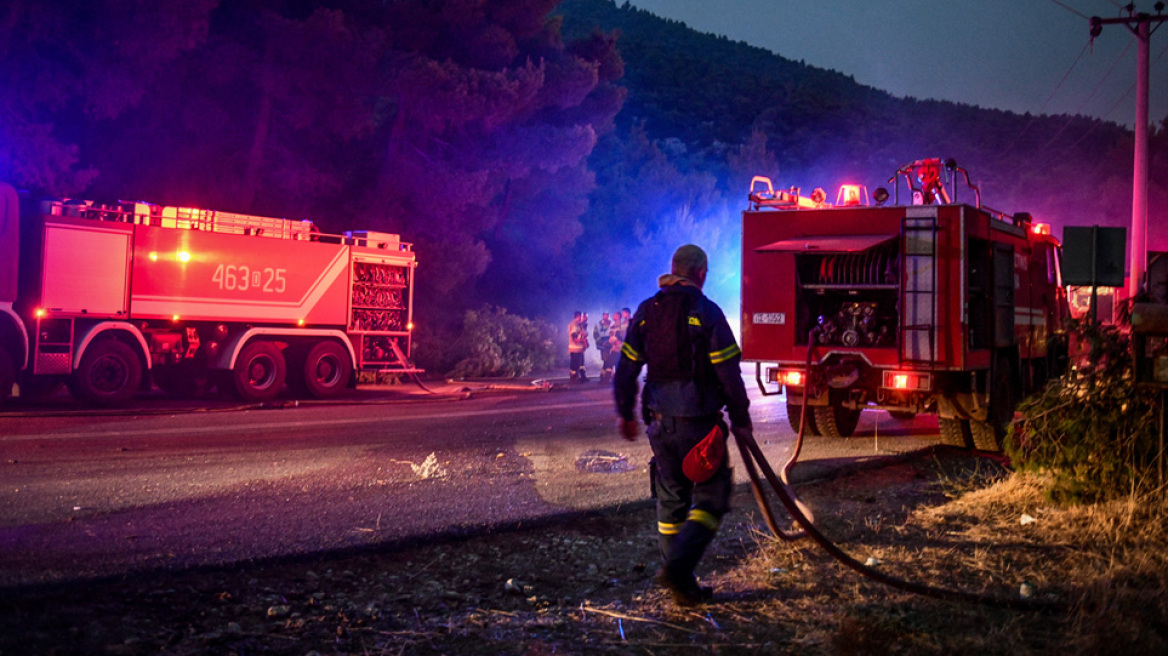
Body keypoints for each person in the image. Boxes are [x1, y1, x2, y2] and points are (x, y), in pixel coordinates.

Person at [613, 245, 753, 607]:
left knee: (671, 502)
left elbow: (626, 370)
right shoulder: (706, 312)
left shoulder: (646, 312)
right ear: (701, 273)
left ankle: (682, 586)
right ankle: (678, 569)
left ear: (673, 269)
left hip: (659, 426)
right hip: (699, 427)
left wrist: (625, 413)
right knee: (713, 495)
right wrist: (741, 419)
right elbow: (729, 374)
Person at [568, 311, 589, 382]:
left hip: (579, 348)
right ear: (579, 316)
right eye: (582, 317)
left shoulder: (578, 324)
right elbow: (574, 337)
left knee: (579, 363)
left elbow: (583, 334)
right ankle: (573, 378)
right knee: (575, 363)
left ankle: (579, 376)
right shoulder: (574, 324)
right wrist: (582, 341)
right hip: (575, 348)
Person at [593, 312, 615, 382]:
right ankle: (604, 375)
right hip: (603, 346)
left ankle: (606, 375)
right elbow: (595, 334)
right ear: (602, 316)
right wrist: (602, 342)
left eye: (607, 315)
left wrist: (610, 341)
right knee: (606, 360)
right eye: (605, 315)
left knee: (609, 360)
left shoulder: (612, 324)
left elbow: (614, 333)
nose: (606, 317)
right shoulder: (598, 325)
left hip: (611, 345)